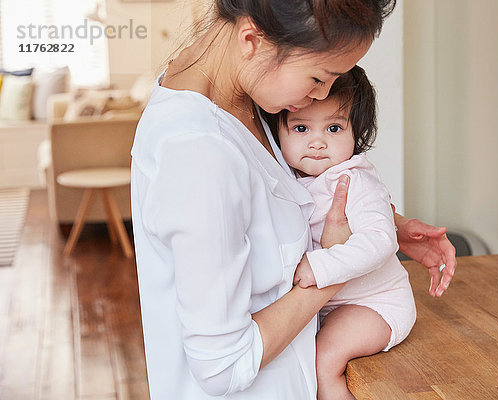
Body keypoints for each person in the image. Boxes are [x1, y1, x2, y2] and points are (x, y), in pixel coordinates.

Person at [130, 1, 456, 399]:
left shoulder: (243, 93)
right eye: (320, 77)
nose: (321, 95)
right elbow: (222, 367)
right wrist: (334, 268)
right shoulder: (198, 151)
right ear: (252, 39)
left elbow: (281, 200)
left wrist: (389, 225)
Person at [266, 65, 416, 399]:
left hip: (375, 304)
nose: (317, 142)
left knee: (324, 361)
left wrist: (320, 267)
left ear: (356, 134)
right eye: (301, 128)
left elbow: (380, 240)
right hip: (330, 306)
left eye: (334, 128)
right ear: (280, 134)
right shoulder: (290, 178)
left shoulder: (354, 180)